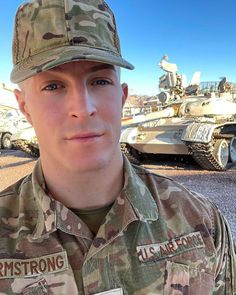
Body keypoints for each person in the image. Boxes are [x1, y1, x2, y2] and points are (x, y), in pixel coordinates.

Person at [0, 0, 235, 294]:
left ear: (122, 97)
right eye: (53, 86)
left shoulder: (200, 221)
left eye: (99, 80)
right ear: (24, 106)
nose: (82, 109)